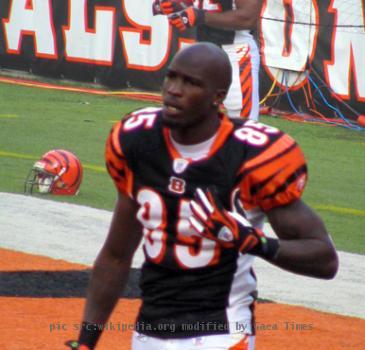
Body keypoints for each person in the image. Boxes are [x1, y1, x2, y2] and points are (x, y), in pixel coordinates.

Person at [65, 42, 338, 350]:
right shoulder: (137, 142)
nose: (174, 90)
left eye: (191, 83)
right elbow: (116, 254)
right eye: (172, 77)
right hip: (149, 331)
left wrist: (252, 241)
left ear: (218, 97)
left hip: (222, 332)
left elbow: (325, 260)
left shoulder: (252, 156)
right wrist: (86, 342)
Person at [152, 0, 263, 121]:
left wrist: (200, 16)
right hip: (205, 48)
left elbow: (247, 18)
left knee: (242, 120)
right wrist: (179, 4)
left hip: (236, 50)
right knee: (194, 113)